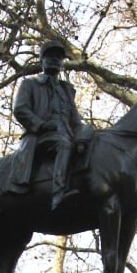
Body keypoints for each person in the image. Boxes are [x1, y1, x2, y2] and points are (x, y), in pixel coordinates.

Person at [11, 39, 85, 210]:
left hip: (67, 133)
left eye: (58, 58)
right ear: (41, 60)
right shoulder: (30, 84)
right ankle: (58, 194)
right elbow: (20, 109)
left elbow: (75, 119)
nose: (55, 60)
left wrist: (82, 137)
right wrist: (41, 124)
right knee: (64, 145)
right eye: (50, 57)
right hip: (41, 137)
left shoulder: (66, 90)